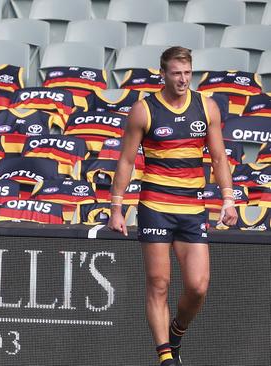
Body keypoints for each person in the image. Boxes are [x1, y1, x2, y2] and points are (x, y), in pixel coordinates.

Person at [107, 46, 238, 366]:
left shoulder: (206, 108)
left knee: (197, 287)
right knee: (159, 283)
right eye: (176, 73)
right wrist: (116, 206)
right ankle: (165, 357)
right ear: (162, 74)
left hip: (193, 209)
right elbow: (126, 160)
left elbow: (219, 157)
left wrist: (228, 198)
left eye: (187, 73)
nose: (182, 79)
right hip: (155, 206)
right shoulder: (143, 110)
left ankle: (176, 333)